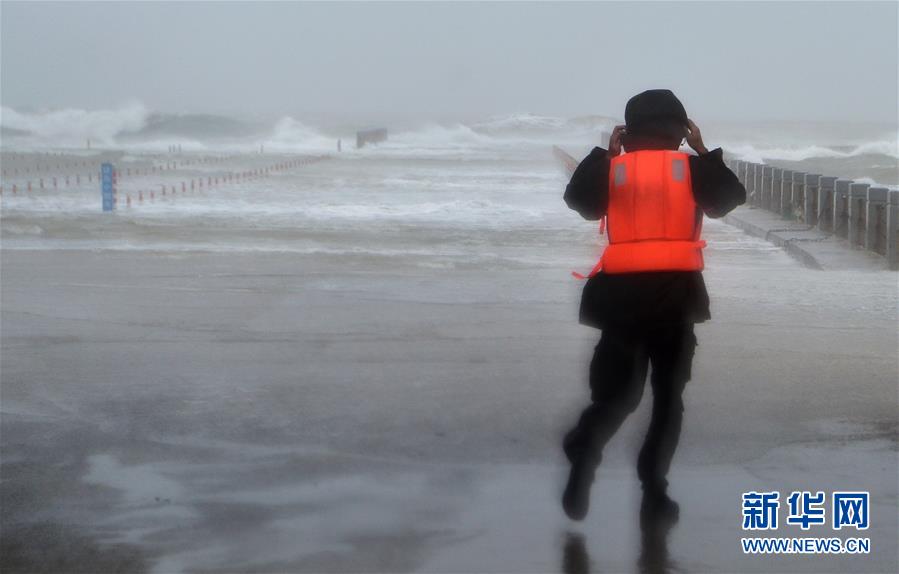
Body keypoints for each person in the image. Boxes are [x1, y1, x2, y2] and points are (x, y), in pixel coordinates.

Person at [561, 89, 746, 522]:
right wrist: (704, 150)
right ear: (681, 129)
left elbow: (581, 204)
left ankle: (584, 447)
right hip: (675, 301)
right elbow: (729, 199)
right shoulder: (691, 168)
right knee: (667, 400)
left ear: (628, 131)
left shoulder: (614, 169)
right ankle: (654, 491)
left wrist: (604, 155)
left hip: (621, 302)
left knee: (616, 397)